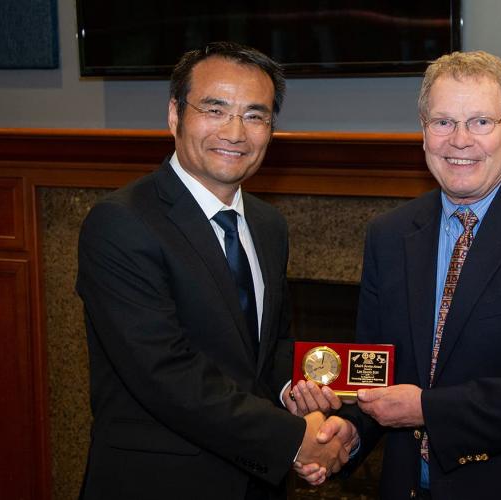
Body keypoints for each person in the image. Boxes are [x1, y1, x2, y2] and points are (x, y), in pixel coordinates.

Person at [303, 50, 501, 499]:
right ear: (424, 133)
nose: (460, 140)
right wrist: (351, 433)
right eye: (443, 122)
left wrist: (427, 410)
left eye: (481, 122)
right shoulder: (389, 235)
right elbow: (375, 374)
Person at [76, 41, 353, 500]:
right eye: (215, 109)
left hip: (253, 483)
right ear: (174, 115)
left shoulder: (268, 225)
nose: (235, 132)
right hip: (158, 484)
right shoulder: (121, 223)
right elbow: (165, 374)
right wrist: (294, 441)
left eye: (255, 115)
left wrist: (296, 392)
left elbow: (270, 346)